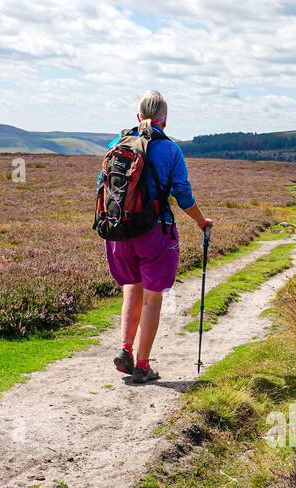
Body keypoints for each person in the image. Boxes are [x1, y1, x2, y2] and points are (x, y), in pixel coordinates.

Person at [104, 91, 213, 384]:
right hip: (155, 232)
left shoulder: (116, 144)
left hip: (119, 233)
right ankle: (142, 366)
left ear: (138, 116)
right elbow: (183, 195)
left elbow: (105, 186)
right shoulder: (171, 150)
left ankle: (125, 349)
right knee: (152, 301)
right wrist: (202, 222)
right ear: (165, 118)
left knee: (131, 289)